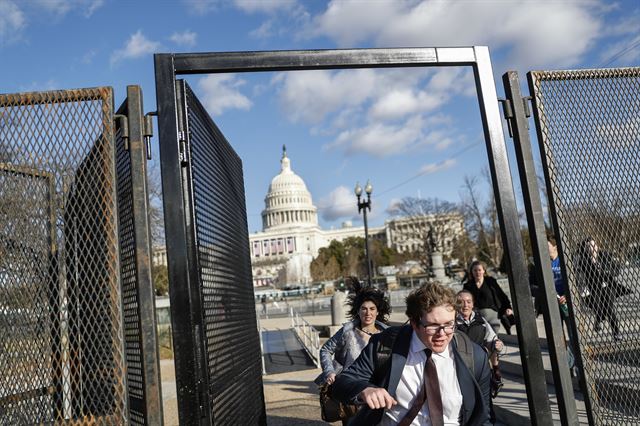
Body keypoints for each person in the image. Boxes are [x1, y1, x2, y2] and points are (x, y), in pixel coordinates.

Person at [332, 282, 491, 426]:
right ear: (414, 323)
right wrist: (365, 390)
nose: (442, 334)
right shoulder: (385, 345)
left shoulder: (475, 356)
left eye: (449, 324)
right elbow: (342, 383)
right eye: (433, 326)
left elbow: (484, 416)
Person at [315, 277, 391, 424]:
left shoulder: (386, 335)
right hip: (352, 391)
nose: (368, 313)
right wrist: (329, 371)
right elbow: (325, 350)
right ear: (358, 311)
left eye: (372, 309)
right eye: (364, 308)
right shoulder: (347, 332)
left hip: (378, 391)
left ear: (377, 312)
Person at [576, 237, 631, 341]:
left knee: (610, 308)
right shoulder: (584, 260)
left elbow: (616, 269)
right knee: (597, 306)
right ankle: (598, 319)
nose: (592, 248)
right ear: (586, 248)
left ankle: (616, 333)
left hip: (607, 286)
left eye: (594, 245)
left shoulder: (604, 256)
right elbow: (581, 274)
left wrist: (606, 272)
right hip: (594, 288)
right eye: (589, 246)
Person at [456, 290, 506, 398]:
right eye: (461, 302)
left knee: (486, 404)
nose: (465, 305)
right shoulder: (451, 324)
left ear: (473, 304)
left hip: (481, 369)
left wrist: (498, 346)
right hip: (460, 371)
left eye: (469, 302)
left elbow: (492, 341)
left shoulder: (481, 321)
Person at [463, 260, 514, 335]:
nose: (477, 272)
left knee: (493, 336)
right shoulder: (468, 285)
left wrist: (508, 307)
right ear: (472, 272)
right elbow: (464, 300)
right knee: (482, 337)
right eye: (475, 270)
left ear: (484, 271)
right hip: (477, 317)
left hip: (493, 315)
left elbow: (501, 295)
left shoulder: (490, 282)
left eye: (479, 270)